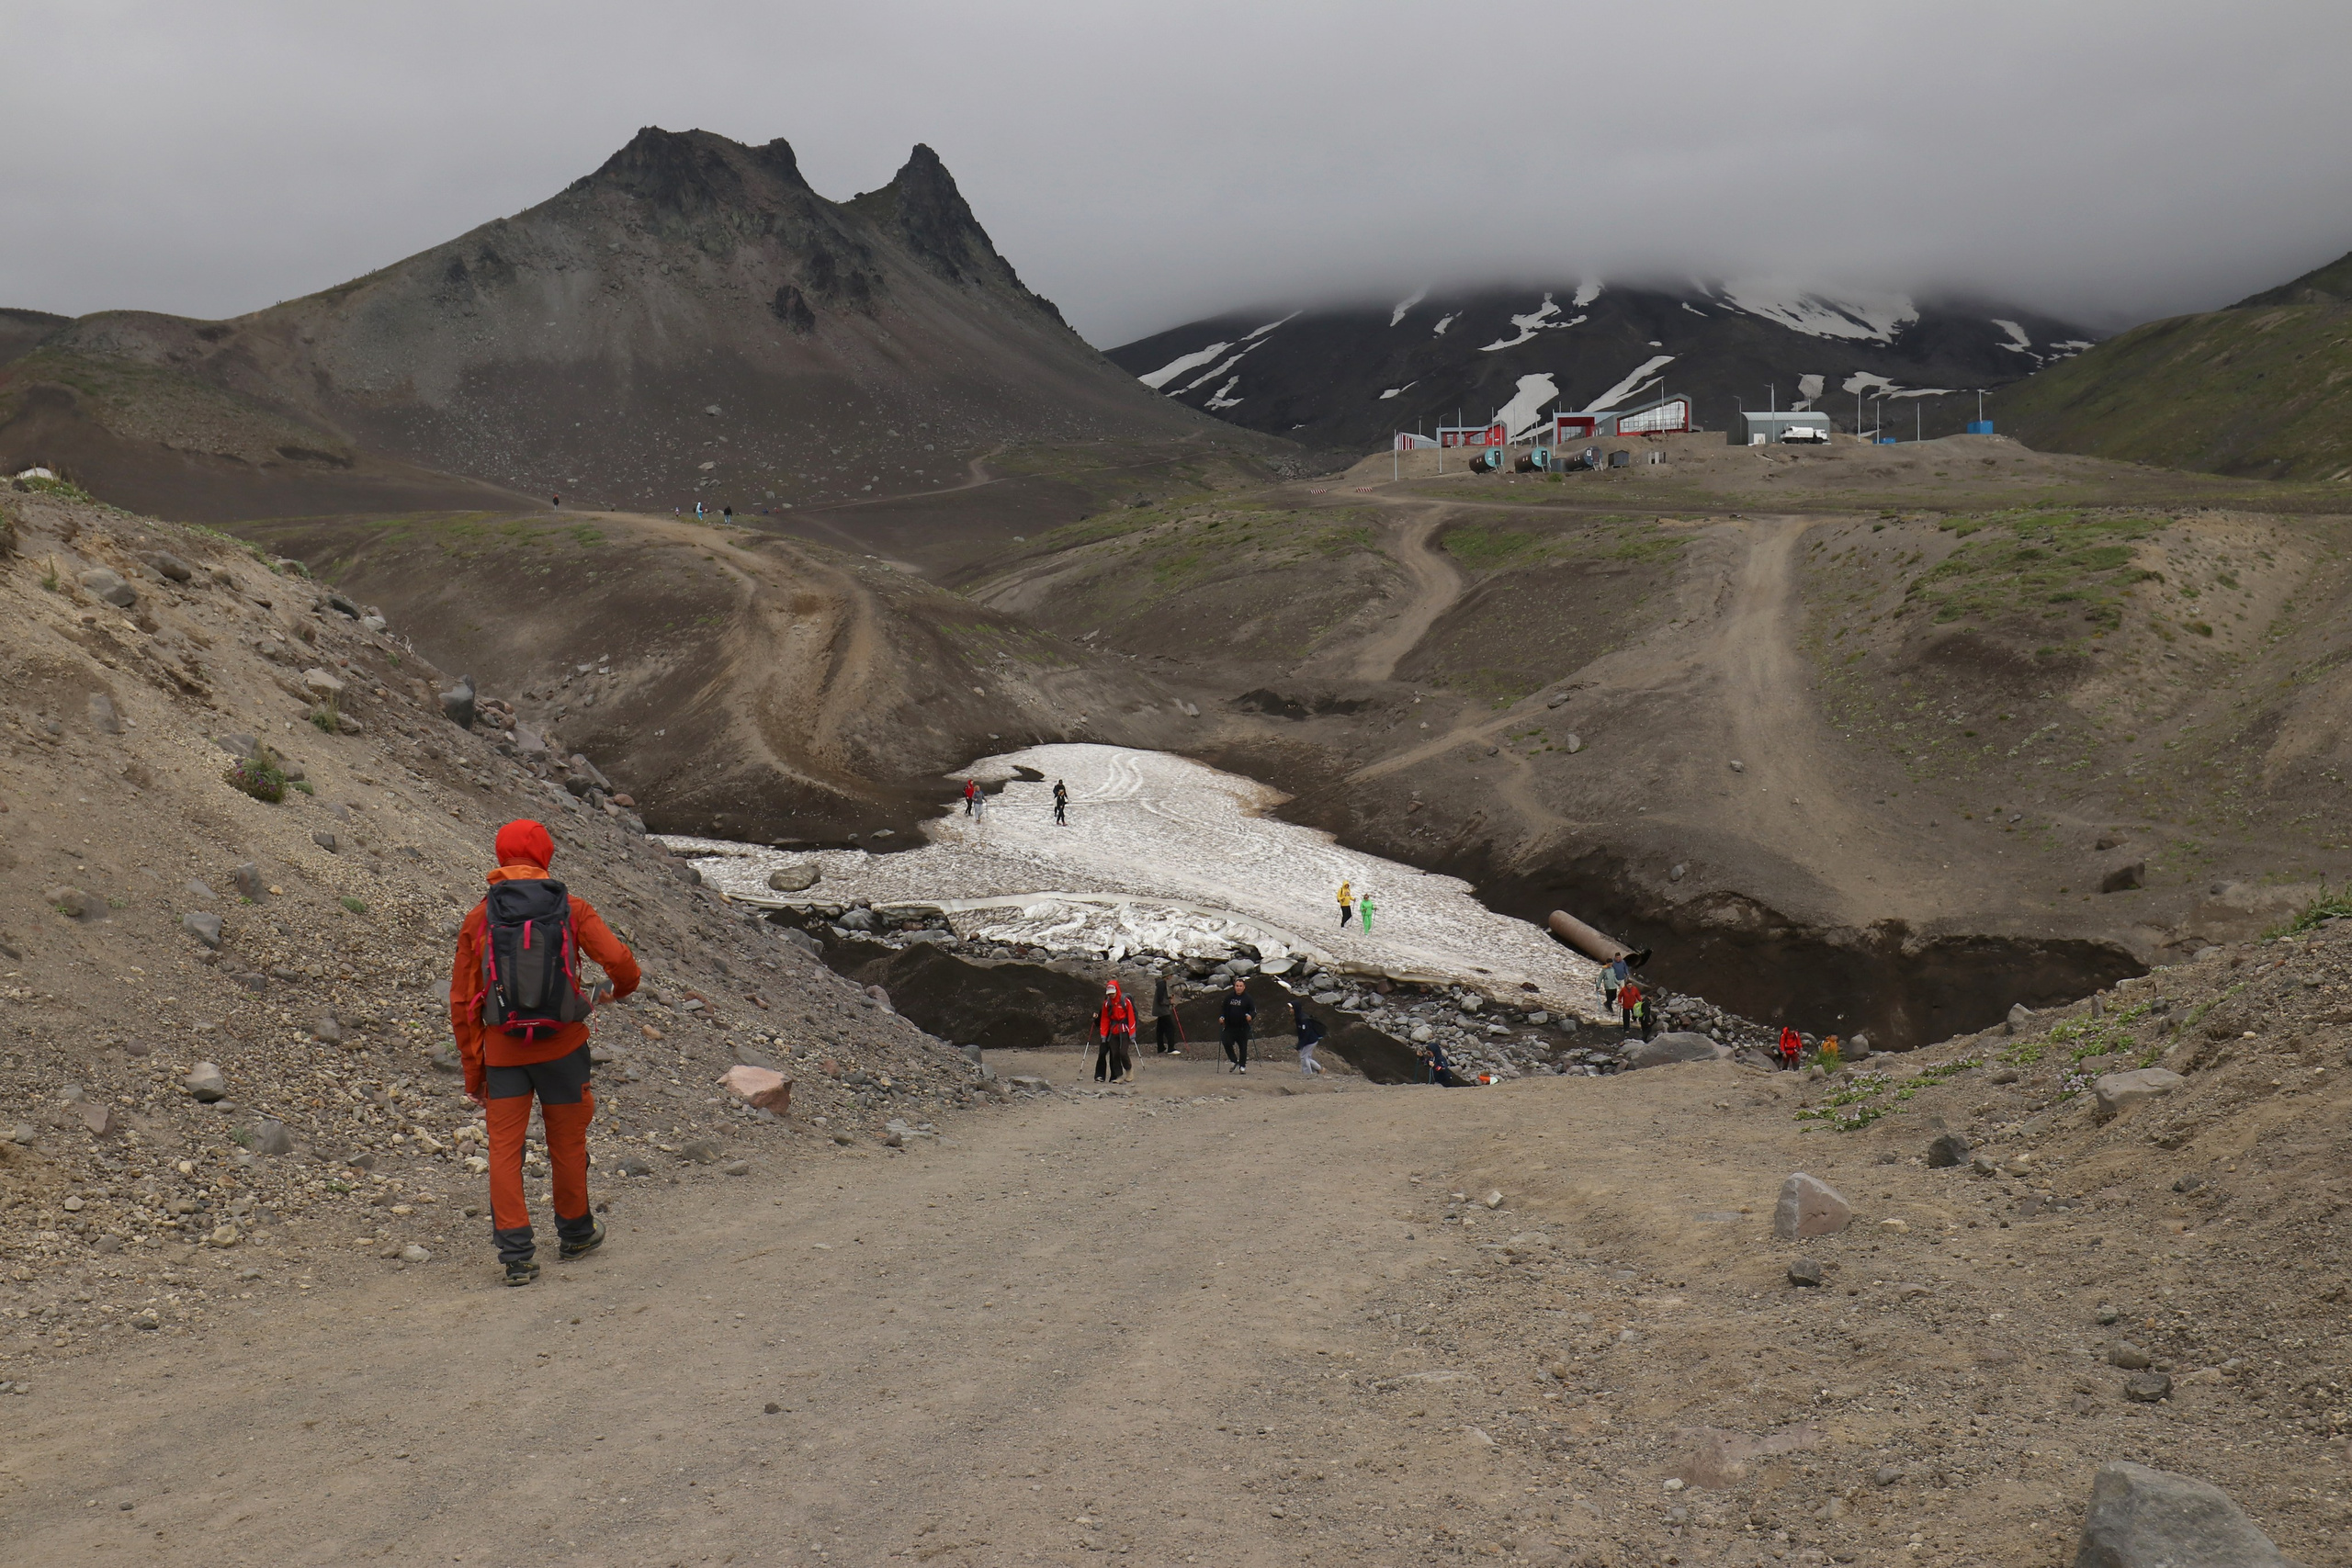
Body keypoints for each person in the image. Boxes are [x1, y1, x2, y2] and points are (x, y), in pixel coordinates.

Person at [448, 818, 639, 1286]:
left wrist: (475, 1073)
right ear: (546, 855)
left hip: (504, 1053)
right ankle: (575, 1233)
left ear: (499, 856)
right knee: (567, 1143)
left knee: (505, 1152)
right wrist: (617, 992)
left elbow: (462, 1002)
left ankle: (516, 1257)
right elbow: (619, 962)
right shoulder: (572, 909)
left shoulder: (480, 917)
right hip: (564, 1048)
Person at [1095, 980, 1137, 1083]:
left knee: (1123, 1053)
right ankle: (1118, 1076)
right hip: (1113, 1031)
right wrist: (1103, 1035)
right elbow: (1105, 1019)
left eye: (1112, 993)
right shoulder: (1107, 1004)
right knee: (1115, 1054)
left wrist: (1132, 1033)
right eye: (1109, 994)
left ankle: (1129, 1070)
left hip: (1124, 1031)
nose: (1111, 995)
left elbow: (1131, 1017)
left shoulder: (1125, 1001)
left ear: (1117, 990)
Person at [1218, 976, 1254, 1073]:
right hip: (1230, 1026)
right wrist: (1222, 1017)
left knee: (1243, 1047)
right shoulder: (1229, 997)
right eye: (1237, 986)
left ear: (1244, 987)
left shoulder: (1248, 998)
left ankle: (1242, 1066)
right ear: (1234, 986)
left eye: (1240, 986)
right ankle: (1234, 1060)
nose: (1238, 988)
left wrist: (1250, 1016)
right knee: (1226, 1041)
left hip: (1242, 1027)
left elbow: (1253, 1011)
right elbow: (1223, 1009)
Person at [1294, 998, 1326, 1077]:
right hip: (1310, 1040)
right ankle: (1320, 1069)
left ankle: (1307, 1074)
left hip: (1310, 1041)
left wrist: (1300, 1044)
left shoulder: (1303, 1019)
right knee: (1306, 1057)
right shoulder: (1299, 1017)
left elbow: (1306, 1033)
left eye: (1291, 1008)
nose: (1290, 1010)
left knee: (1304, 1057)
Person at [1152, 975, 1178, 1055]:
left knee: (1160, 1029)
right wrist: (1169, 1002)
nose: (1172, 977)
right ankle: (1171, 1048)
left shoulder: (1160, 983)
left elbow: (1161, 997)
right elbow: (1160, 999)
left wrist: (1168, 998)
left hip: (1160, 1010)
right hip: (1163, 1010)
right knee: (1170, 1028)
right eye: (1171, 975)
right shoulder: (1162, 984)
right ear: (1168, 976)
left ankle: (1161, 1048)